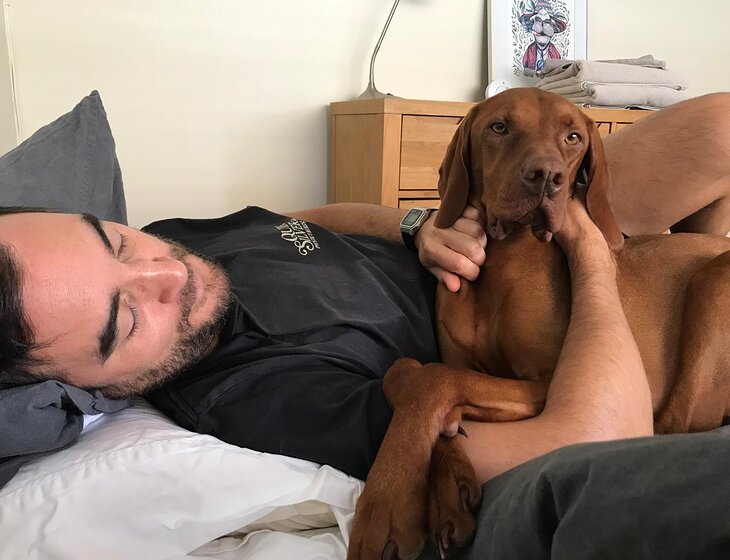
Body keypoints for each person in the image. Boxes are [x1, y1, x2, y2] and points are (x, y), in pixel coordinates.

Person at [0, 94, 727, 485]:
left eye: (118, 243)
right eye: (125, 318)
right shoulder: (251, 393)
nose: (168, 272)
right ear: (88, 388)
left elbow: (310, 220)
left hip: (479, 234)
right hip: (524, 297)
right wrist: (589, 248)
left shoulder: (175, 236)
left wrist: (416, 228)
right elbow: (594, 434)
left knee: (722, 126)